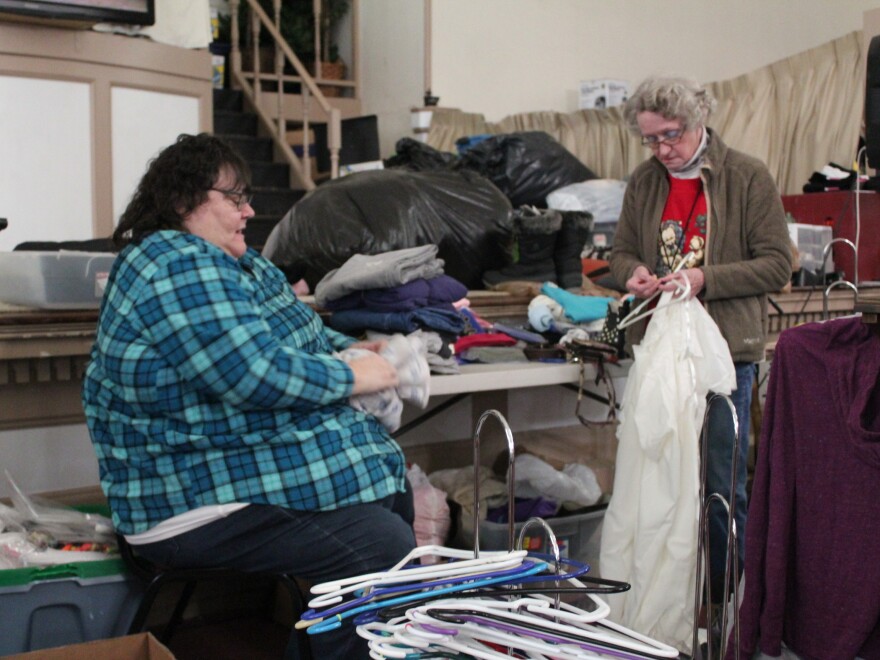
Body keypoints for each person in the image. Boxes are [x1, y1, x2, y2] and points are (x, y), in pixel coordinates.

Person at [82, 133, 416, 660]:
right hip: (182, 497)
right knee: (381, 546)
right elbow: (251, 371)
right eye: (234, 199)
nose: (249, 211)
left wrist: (354, 348)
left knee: (389, 492)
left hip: (223, 472)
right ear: (182, 202)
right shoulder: (173, 263)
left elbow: (292, 335)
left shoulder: (237, 264)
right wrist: (356, 377)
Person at [609, 77, 792, 614]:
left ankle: (727, 611)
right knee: (657, 486)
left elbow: (777, 263)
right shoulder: (644, 182)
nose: (664, 149)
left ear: (700, 120)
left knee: (719, 489)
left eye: (672, 135)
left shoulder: (746, 175)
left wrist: (704, 279)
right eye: (651, 140)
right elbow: (618, 252)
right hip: (662, 355)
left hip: (724, 357)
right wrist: (634, 273)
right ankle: (668, 607)